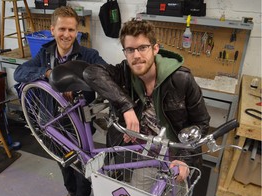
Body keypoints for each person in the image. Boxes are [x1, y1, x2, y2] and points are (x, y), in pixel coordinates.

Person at [83, 19, 210, 183]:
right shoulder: (124, 73)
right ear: (125, 53)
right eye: (130, 50)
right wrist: (126, 106)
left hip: (176, 156)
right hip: (144, 157)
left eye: (143, 48)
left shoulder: (181, 79)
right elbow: (91, 72)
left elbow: (202, 123)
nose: (136, 55)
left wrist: (184, 159)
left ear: (155, 48)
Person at [14, 6, 106, 196]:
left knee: (84, 163)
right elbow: (20, 72)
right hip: (52, 121)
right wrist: (48, 73)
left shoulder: (88, 55)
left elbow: (104, 74)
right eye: (62, 29)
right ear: (53, 29)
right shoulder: (44, 54)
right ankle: (71, 193)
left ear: (77, 32)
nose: (67, 35)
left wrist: (78, 85)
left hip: (79, 122)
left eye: (71, 30)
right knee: (63, 160)